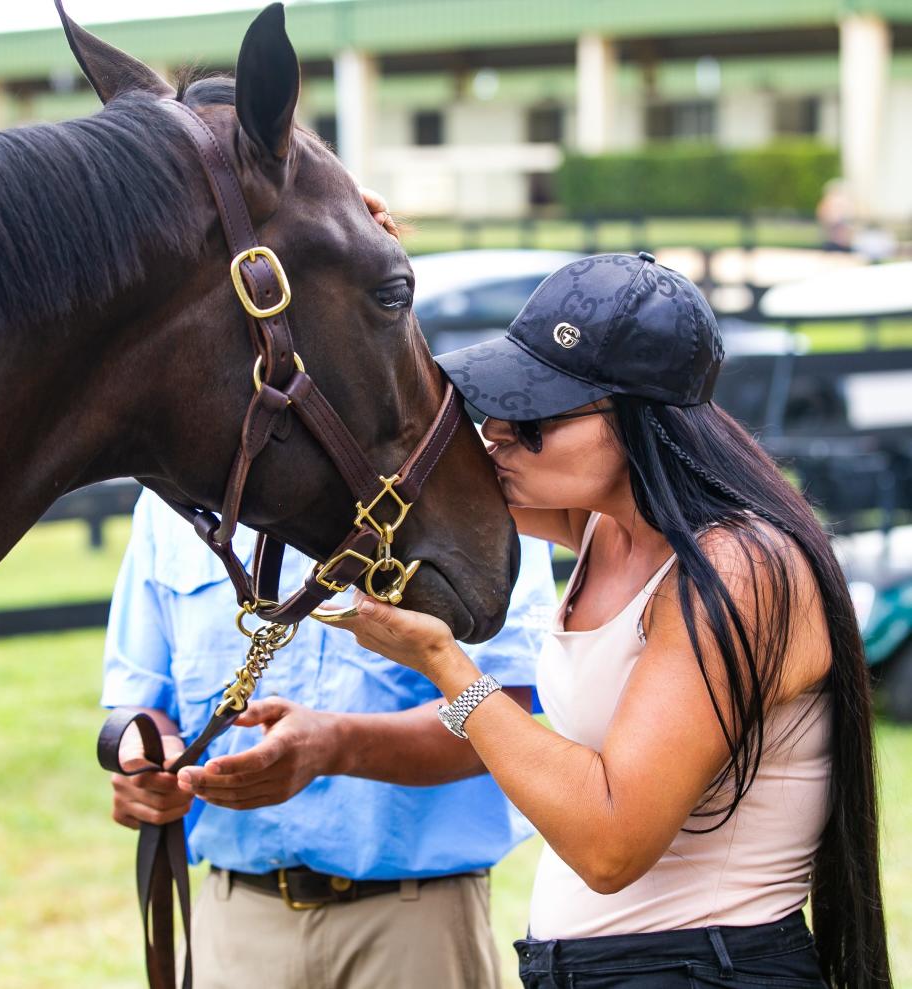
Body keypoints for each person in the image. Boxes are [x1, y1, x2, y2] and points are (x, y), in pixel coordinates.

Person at [330, 251, 890, 988]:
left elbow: (611, 842)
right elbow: (405, 456)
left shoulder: (740, 570)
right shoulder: (604, 525)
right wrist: (352, 251)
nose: (497, 428)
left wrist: (449, 670)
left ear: (635, 420)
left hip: (699, 970)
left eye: (534, 411)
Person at [102, 490, 556, 989]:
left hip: (412, 930)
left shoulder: (455, 475)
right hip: (232, 928)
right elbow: (143, 698)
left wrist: (338, 745)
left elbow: (499, 711)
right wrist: (145, 763)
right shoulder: (168, 500)